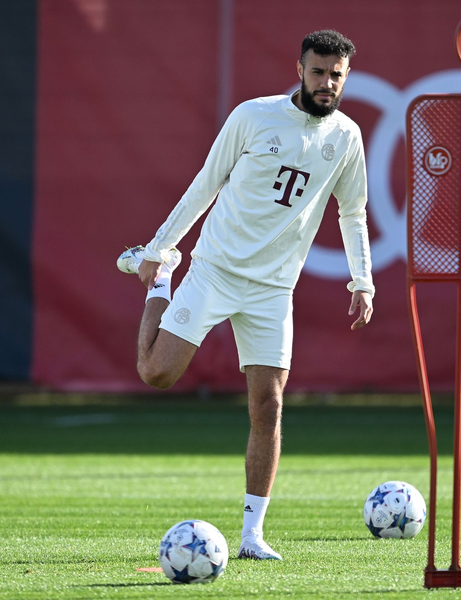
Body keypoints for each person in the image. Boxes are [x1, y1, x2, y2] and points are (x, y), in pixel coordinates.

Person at [117, 29, 373, 561]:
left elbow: (352, 213)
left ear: (347, 77)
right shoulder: (253, 116)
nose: (327, 83)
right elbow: (205, 185)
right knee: (157, 374)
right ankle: (163, 283)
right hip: (214, 270)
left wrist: (362, 280)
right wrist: (160, 249)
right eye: (319, 72)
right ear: (300, 69)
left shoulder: (347, 137)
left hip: (274, 289)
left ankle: (253, 535)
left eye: (337, 75)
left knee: (269, 406)